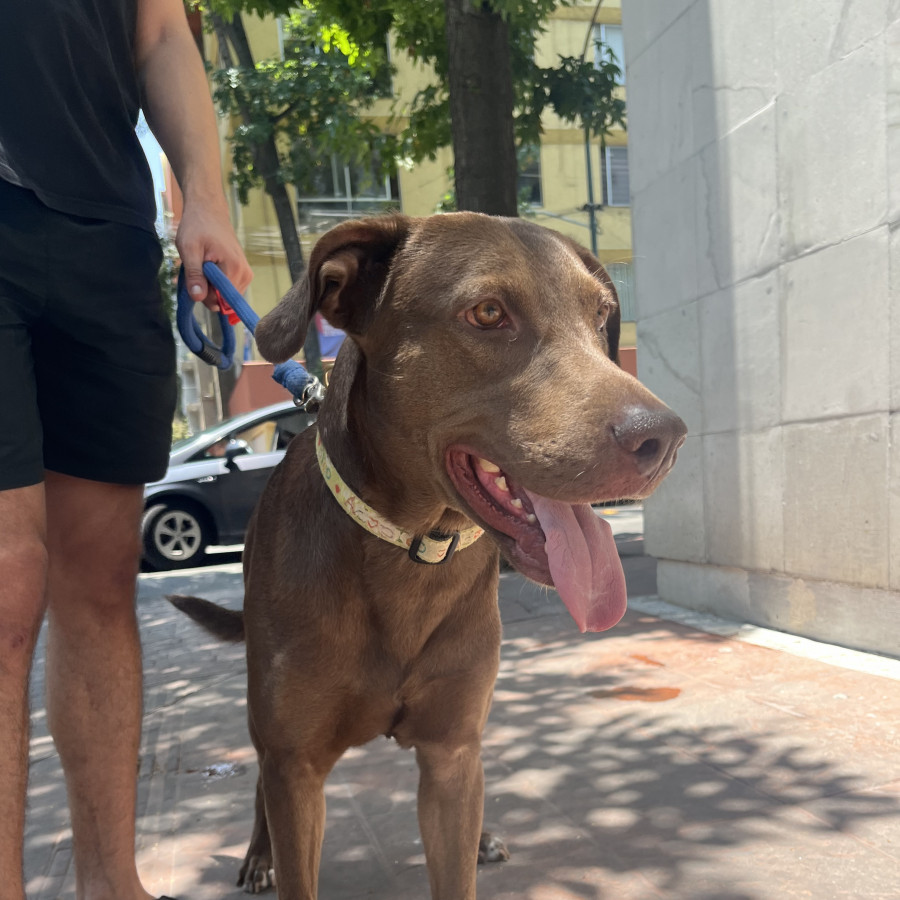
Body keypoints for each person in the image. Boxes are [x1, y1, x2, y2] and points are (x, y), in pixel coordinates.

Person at [0, 1, 253, 897]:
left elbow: (160, 32)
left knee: (100, 583)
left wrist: (206, 200)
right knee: (8, 576)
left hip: (105, 231)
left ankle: (113, 883)